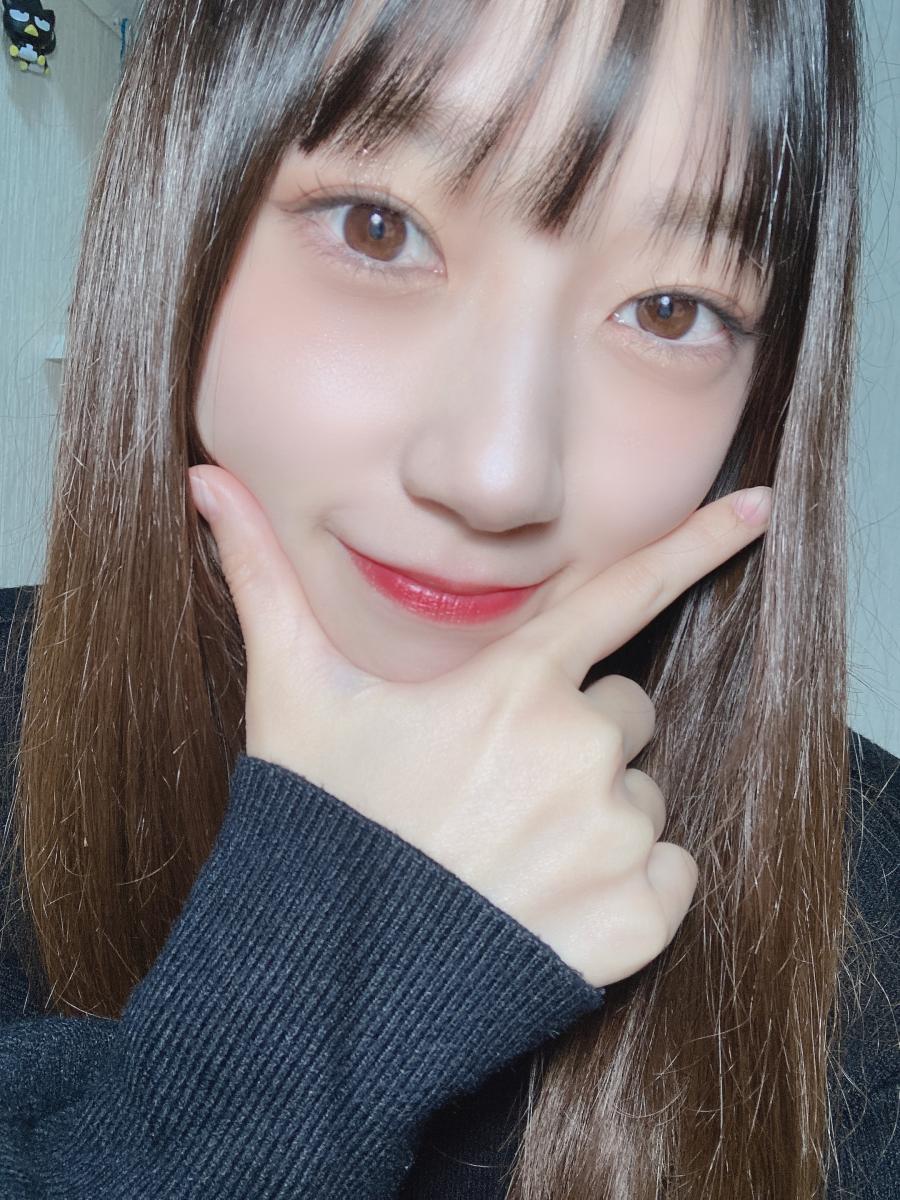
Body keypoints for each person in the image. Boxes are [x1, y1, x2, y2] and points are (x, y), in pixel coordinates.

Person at [0, 0, 897, 1195]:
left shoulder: (876, 915)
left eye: (670, 311)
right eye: (378, 230)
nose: (498, 475)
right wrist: (328, 973)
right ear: (181, 211)